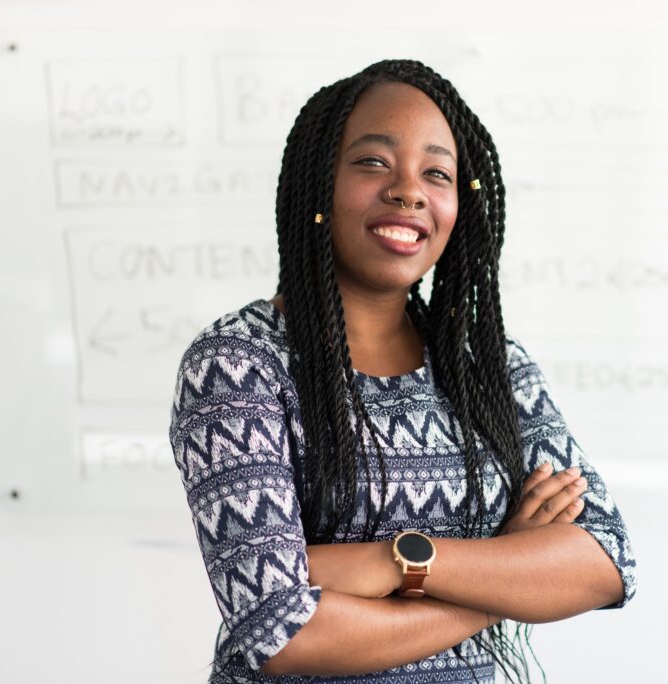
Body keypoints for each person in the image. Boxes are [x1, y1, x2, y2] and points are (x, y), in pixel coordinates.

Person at [169, 59, 637, 684]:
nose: (409, 191)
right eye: (372, 162)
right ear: (318, 187)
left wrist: (401, 562)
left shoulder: (489, 367)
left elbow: (606, 563)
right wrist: (504, 570)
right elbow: (282, 632)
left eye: (437, 173)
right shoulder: (239, 364)